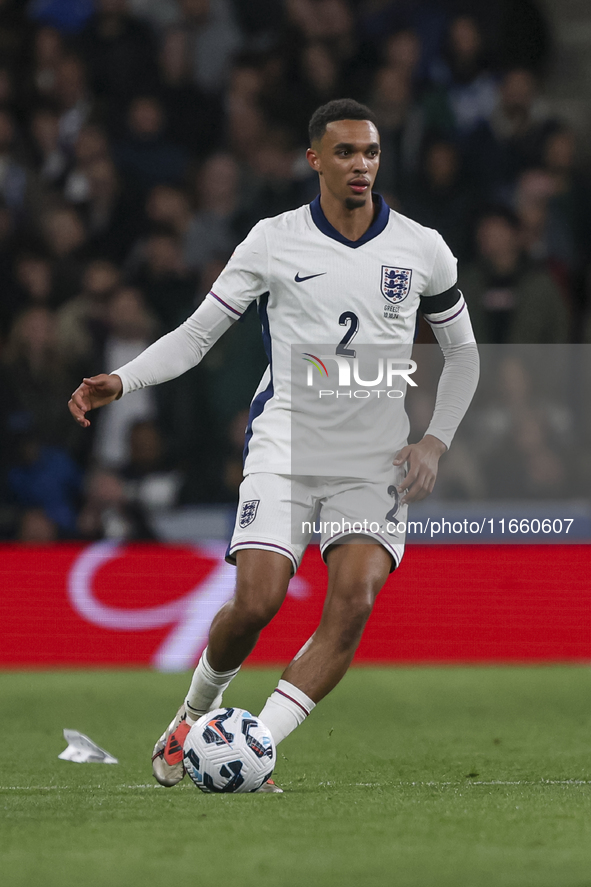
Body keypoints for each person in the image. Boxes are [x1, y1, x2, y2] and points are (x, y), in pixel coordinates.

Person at [68, 98, 479, 792]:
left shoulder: (421, 247)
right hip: (285, 444)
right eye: (345, 152)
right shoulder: (271, 240)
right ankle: (192, 716)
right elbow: (198, 336)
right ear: (314, 159)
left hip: (373, 460)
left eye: (371, 152)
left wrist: (435, 441)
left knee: (352, 601)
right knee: (256, 603)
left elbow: (463, 355)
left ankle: (251, 744)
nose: (360, 164)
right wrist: (123, 378)